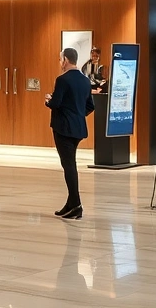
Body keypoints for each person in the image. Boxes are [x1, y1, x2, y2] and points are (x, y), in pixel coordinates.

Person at [45, 47, 95, 221]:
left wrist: (48, 101)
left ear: (65, 60)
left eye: (60, 59)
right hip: (79, 127)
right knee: (70, 163)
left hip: (63, 128)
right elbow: (90, 106)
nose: (60, 63)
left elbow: (56, 103)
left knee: (69, 165)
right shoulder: (85, 80)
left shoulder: (62, 80)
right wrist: (78, 114)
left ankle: (76, 205)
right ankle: (70, 204)